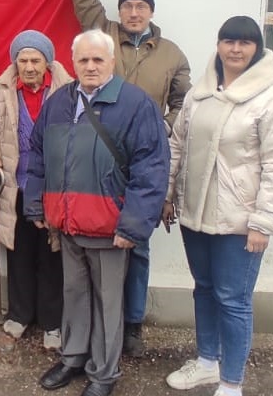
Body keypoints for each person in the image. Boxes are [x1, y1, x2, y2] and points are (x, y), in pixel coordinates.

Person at [71, 0, 192, 356]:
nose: (134, 12)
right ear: (119, 10)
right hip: (99, 159)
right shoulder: (103, 35)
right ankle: (96, 324)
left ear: (151, 10)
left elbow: (183, 102)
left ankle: (132, 324)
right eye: (127, 5)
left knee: (136, 245)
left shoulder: (172, 53)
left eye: (141, 6)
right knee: (95, 243)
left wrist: (162, 128)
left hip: (143, 162)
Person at [25, 29, 169, 396]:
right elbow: (37, 154)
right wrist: (36, 203)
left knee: (108, 303)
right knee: (74, 293)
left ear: (111, 62)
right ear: (72, 63)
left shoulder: (135, 104)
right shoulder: (59, 102)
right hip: (68, 223)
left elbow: (151, 169)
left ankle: (104, 373)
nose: (90, 66)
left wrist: (133, 224)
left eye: (97, 60)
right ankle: (73, 357)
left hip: (109, 226)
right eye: (83, 60)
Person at [163, 17, 273, 396]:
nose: (235, 49)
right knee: (204, 289)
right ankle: (207, 363)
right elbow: (177, 145)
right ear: (219, 45)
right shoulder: (199, 94)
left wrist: (264, 222)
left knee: (233, 300)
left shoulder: (272, 98)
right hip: (195, 215)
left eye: (244, 43)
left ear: (257, 48)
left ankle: (231, 382)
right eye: (228, 41)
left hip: (240, 222)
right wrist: (167, 195)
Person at [0, 30, 72, 350]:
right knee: (18, 252)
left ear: (47, 62)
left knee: (51, 254)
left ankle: (52, 322)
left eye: (36, 60)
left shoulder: (67, 90)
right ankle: (20, 314)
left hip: (52, 187)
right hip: (15, 184)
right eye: (23, 60)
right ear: (15, 63)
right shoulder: (1, 89)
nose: (29, 67)